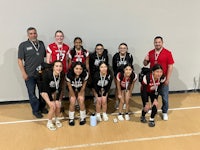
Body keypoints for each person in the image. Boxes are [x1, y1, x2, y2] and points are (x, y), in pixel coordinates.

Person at [18, 27, 47, 118]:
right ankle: (35, 110)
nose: (33, 35)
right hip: (30, 74)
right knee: (32, 93)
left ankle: (42, 107)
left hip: (41, 74)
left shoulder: (41, 43)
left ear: (36, 34)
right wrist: (23, 73)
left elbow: (45, 57)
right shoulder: (23, 45)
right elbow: (19, 60)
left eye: (34, 33)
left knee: (43, 92)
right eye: (31, 33)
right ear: (28, 35)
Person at [143, 36, 174, 120]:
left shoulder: (168, 53)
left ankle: (164, 112)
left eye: (159, 42)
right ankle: (153, 109)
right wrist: (145, 60)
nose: (157, 44)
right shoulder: (150, 52)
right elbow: (145, 64)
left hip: (163, 80)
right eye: (156, 42)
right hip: (153, 80)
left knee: (165, 98)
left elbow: (170, 66)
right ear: (154, 43)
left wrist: (167, 78)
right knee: (152, 96)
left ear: (162, 43)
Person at [40, 60, 65, 130]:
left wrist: (57, 99)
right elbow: (46, 88)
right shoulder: (47, 74)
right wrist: (51, 100)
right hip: (44, 90)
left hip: (54, 90)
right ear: (53, 67)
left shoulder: (62, 74)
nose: (58, 68)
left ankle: (57, 120)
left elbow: (60, 87)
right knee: (53, 106)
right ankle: (49, 122)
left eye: (60, 66)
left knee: (58, 104)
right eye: (56, 66)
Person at [112, 43, 133, 109]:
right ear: (119, 49)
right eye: (121, 48)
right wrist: (116, 75)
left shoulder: (129, 56)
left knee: (126, 88)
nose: (122, 49)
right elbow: (114, 66)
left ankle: (124, 102)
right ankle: (117, 102)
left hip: (126, 75)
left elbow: (130, 66)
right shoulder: (115, 56)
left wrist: (128, 74)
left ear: (127, 49)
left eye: (124, 48)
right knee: (117, 88)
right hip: (118, 75)